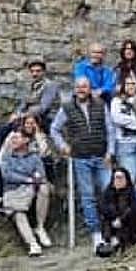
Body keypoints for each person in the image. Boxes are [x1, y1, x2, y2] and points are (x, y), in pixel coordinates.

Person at [51, 77, 116, 254]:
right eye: (78, 87)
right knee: (88, 197)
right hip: (81, 157)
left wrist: (110, 152)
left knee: (109, 192)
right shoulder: (67, 107)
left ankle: (111, 230)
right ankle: (96, 234)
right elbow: (54, 129)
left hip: (102, 156)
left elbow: (110, 129)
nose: (81, 89)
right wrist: (63, 146)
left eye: (84, 87)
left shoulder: (101, 104)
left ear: (90, 89)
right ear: (74, 89)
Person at [0, 129, 51, 256]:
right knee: (18, 212)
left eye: (17, 138)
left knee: (44, 188)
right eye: (12, 138)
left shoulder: (34, 157)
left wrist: (34, 179)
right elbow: (7, 175)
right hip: (13, 190)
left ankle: (40, 227)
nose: (13, 141)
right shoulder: (7, 157)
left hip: (31, 189)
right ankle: (32, 244)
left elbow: (41, 174)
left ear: (26, 140)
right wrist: (27, 179)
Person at [110, 79, 136, 196]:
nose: (130, 86)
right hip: (125, 142)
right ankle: (127, 204)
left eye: (133, 83)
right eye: (128, 84)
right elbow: (117, 118)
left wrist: (135, 122)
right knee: (129, 176)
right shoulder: (117, 101)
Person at [97, 167, 136, 256]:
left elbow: (134, 209)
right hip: (112, 224)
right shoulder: (107, 193)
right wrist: (114, 218)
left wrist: (121, 219)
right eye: (116, 178)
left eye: (121, 178)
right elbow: (102, 208)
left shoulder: (131, 193)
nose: (118, 181)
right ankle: (109, 241)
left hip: (128, 226)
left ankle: (121, 242)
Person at [11, 59, 62, 125]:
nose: (34, 74)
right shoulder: (30, 86)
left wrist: (21, 115)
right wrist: (16, 114)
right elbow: (23, 104)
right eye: (32, 71)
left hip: (48, 119)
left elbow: (43, 108)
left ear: (44, 72)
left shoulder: (50, 85)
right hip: (30, 118)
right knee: (6, 127)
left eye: (38, 71)